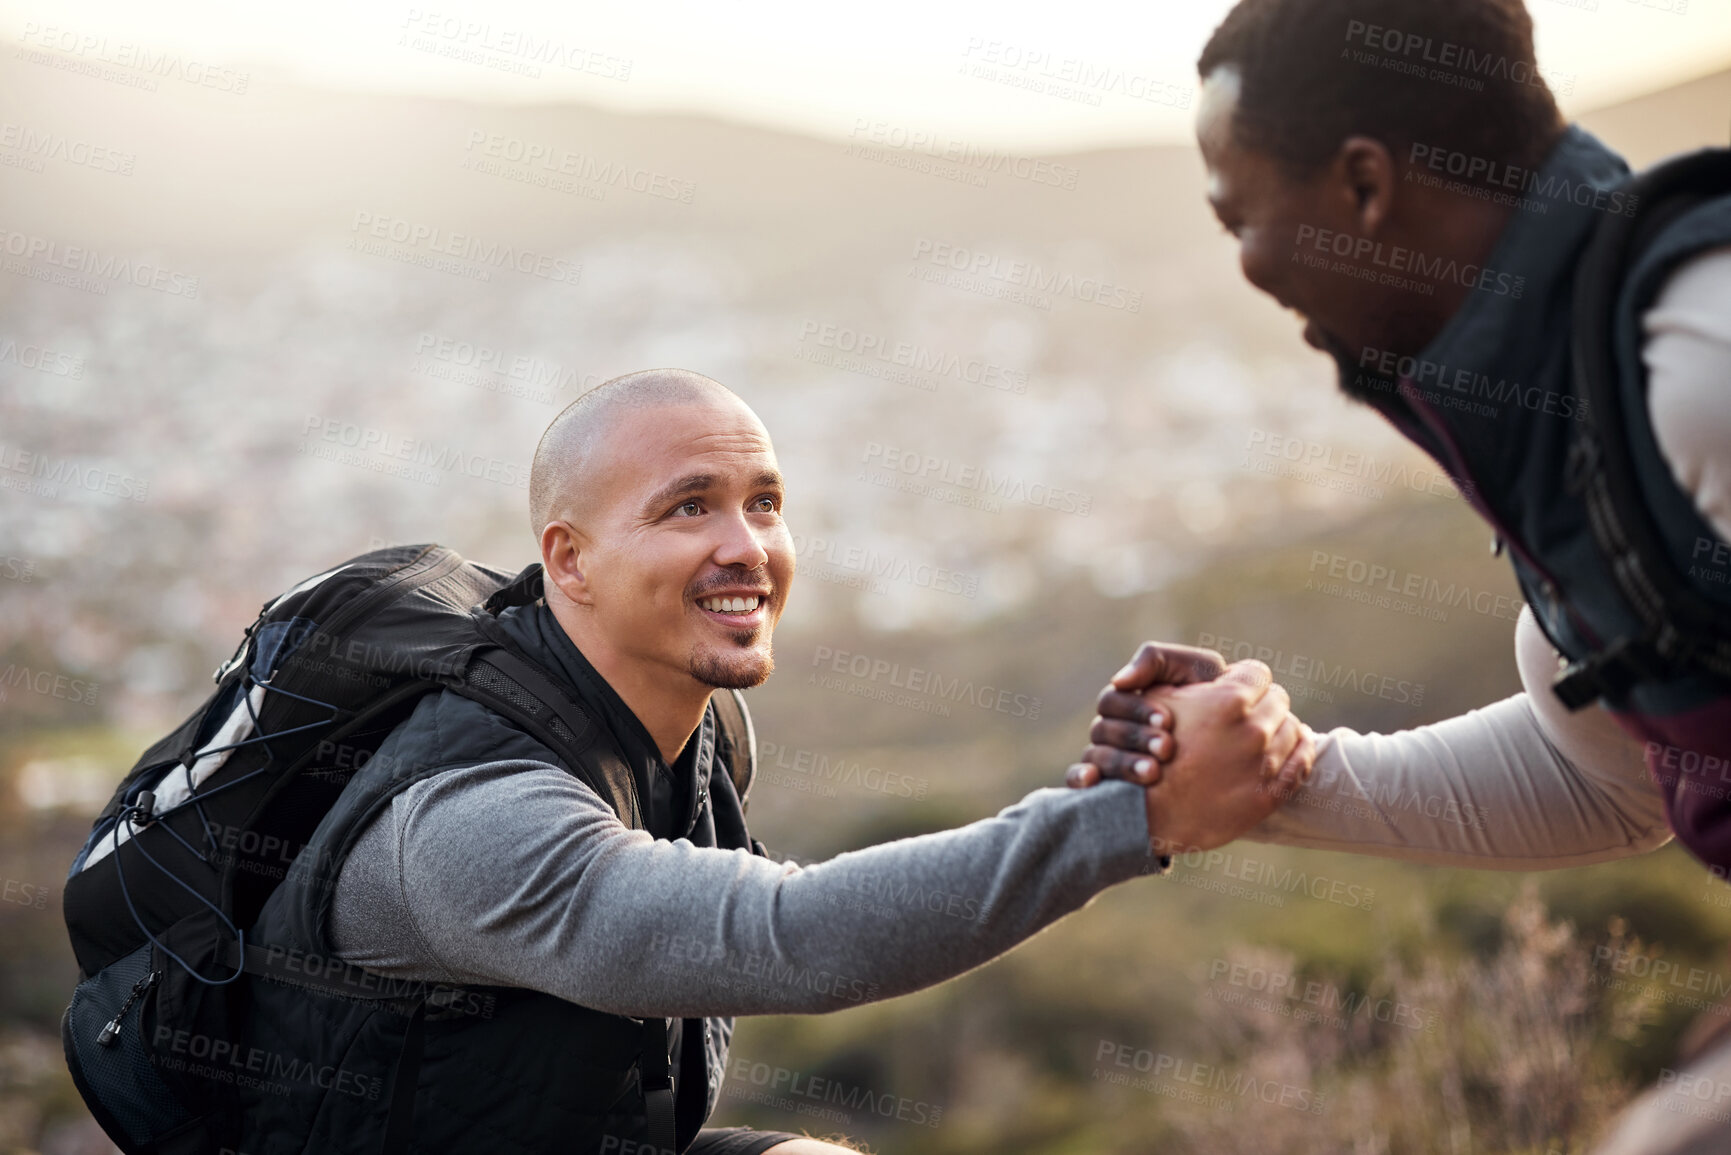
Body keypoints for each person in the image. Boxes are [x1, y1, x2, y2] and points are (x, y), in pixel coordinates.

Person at [236, 369, 1312, 1155]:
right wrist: (1132, 817)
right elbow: (790, 937)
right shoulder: (472, 823)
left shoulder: (681, 731)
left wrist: (1136, 768)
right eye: (688, 505)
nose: (747, 546)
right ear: (569, 559)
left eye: (765, 503)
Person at [1072, 1, 1731, 1148]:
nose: (1249, 268)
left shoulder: (1698, 366)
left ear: (1364, 190)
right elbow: (1621, 783)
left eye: (1242, 218)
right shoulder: (1570, 407)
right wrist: (1268, 775)